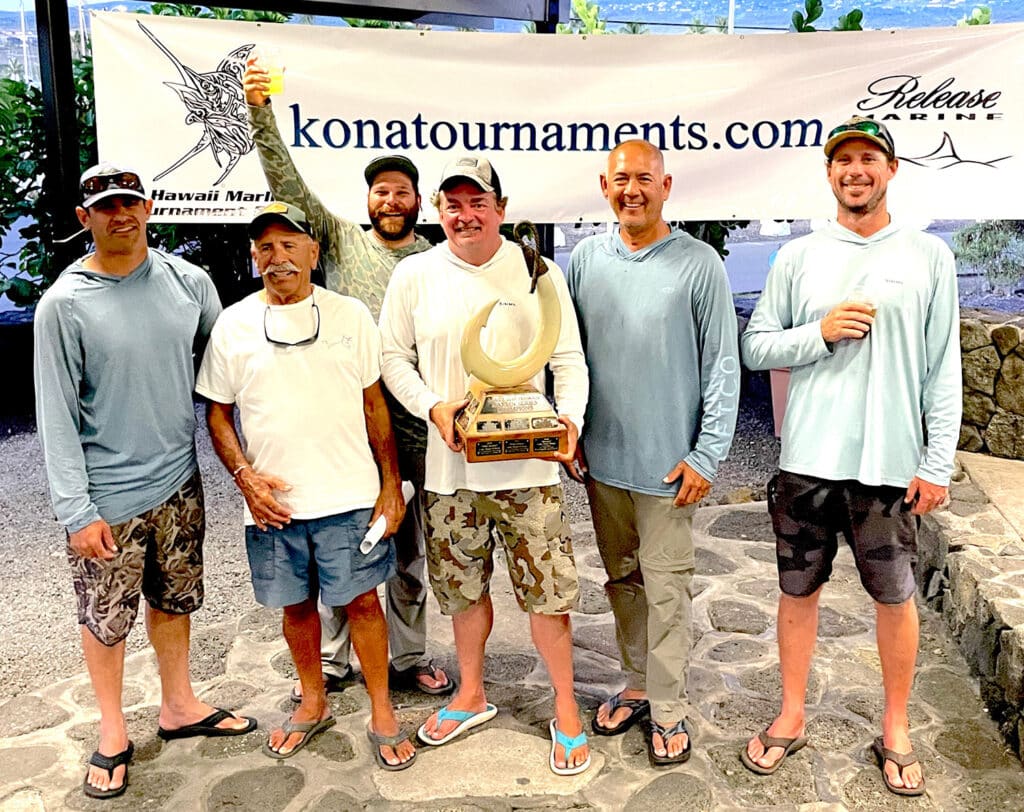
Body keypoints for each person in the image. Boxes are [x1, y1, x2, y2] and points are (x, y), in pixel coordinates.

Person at [740, 116, 961, 797]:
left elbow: (942, 368)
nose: (855, 170)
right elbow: (757, 346)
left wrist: (936, 462)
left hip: (891, 468)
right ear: (829, 173)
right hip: (808, 460)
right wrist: (819, 332)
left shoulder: (928, 256)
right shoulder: (799, 257)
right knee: (796, 593)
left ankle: (895, 726)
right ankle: (792, 713)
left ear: (891, 171)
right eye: (843, 160)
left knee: (894, 599)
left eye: (869, 158)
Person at [34, 164, 255, 800]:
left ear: (149, 206)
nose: (121, 215)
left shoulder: (189, 283)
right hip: (107, 497)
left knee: (174, 600)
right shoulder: (64, 305)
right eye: (105, 207)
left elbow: (227, 375)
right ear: (85, 218)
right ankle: (110, 730)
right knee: (106, 617)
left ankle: (179, 704)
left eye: (130, 202)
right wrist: (76, 511)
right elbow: (55, 415)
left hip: (178, 483)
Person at [242, 59, 451, 699]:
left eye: (402, 191)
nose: (391, 200)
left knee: (410, 553)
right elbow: (288, 183)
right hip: (347, 427)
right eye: (380, 191)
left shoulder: (439, 259)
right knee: (340, 545)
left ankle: (408, 655)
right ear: (368, 201)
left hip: (416, 429)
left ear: (419, 201)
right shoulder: (336, 240)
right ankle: (333, 657)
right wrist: (260, 113)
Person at [378, 156, 592, 775]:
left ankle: (566, 707)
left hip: (529, 473)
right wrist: (433, 407)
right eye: (453, 204)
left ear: (500, 208)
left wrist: (570, 422)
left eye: (478, 203)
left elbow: (568, 360)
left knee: (547, 595)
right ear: (437, 211)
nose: (465, 215)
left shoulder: (537, 271)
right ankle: (471, 694)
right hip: (451, 473)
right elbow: (395, 359)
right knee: (462, 590)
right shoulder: (415, 275)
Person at [196, 202, 416, 769]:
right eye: (266, 247)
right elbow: (217, 414)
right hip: (274, 505)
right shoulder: (233, 324)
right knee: (295, 608)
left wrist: (391, 487)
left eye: (291, 244)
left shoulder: (349, 316)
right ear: (253, 257)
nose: (279, 257)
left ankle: (382, 708)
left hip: (348, 494)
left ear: (314, 254)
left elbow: (376, 407)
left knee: (363, 602)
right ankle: (313, 700)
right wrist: (245, 479)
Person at [565, 140, 740, 768]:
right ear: (603, 186)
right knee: (623, 582)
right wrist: (570, 431)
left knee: (667, 588)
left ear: (667, 186)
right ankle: (637, 682)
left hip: (671, 469)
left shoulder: (698, 264)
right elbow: (569, 357)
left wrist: (706, 455)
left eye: (644, 178)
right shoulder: (585, 259)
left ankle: (667, 707)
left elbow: (723, 366)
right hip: (602, 463)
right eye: (620, 179)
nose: (631, 189)